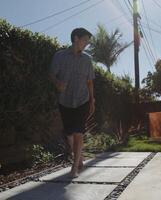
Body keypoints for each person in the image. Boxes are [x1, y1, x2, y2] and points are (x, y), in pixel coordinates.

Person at [49, 28, 95, 178]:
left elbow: (89, 82)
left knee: (78, 132)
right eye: (85, 40)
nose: (87, 44)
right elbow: (51, 74)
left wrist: (92, 99)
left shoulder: (87, 59)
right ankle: (79, 156)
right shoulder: (60, 56)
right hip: (65, 101)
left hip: (82, 100)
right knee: (69, 134)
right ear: (76, 38)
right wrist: (57, 83)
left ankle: (74, 168)